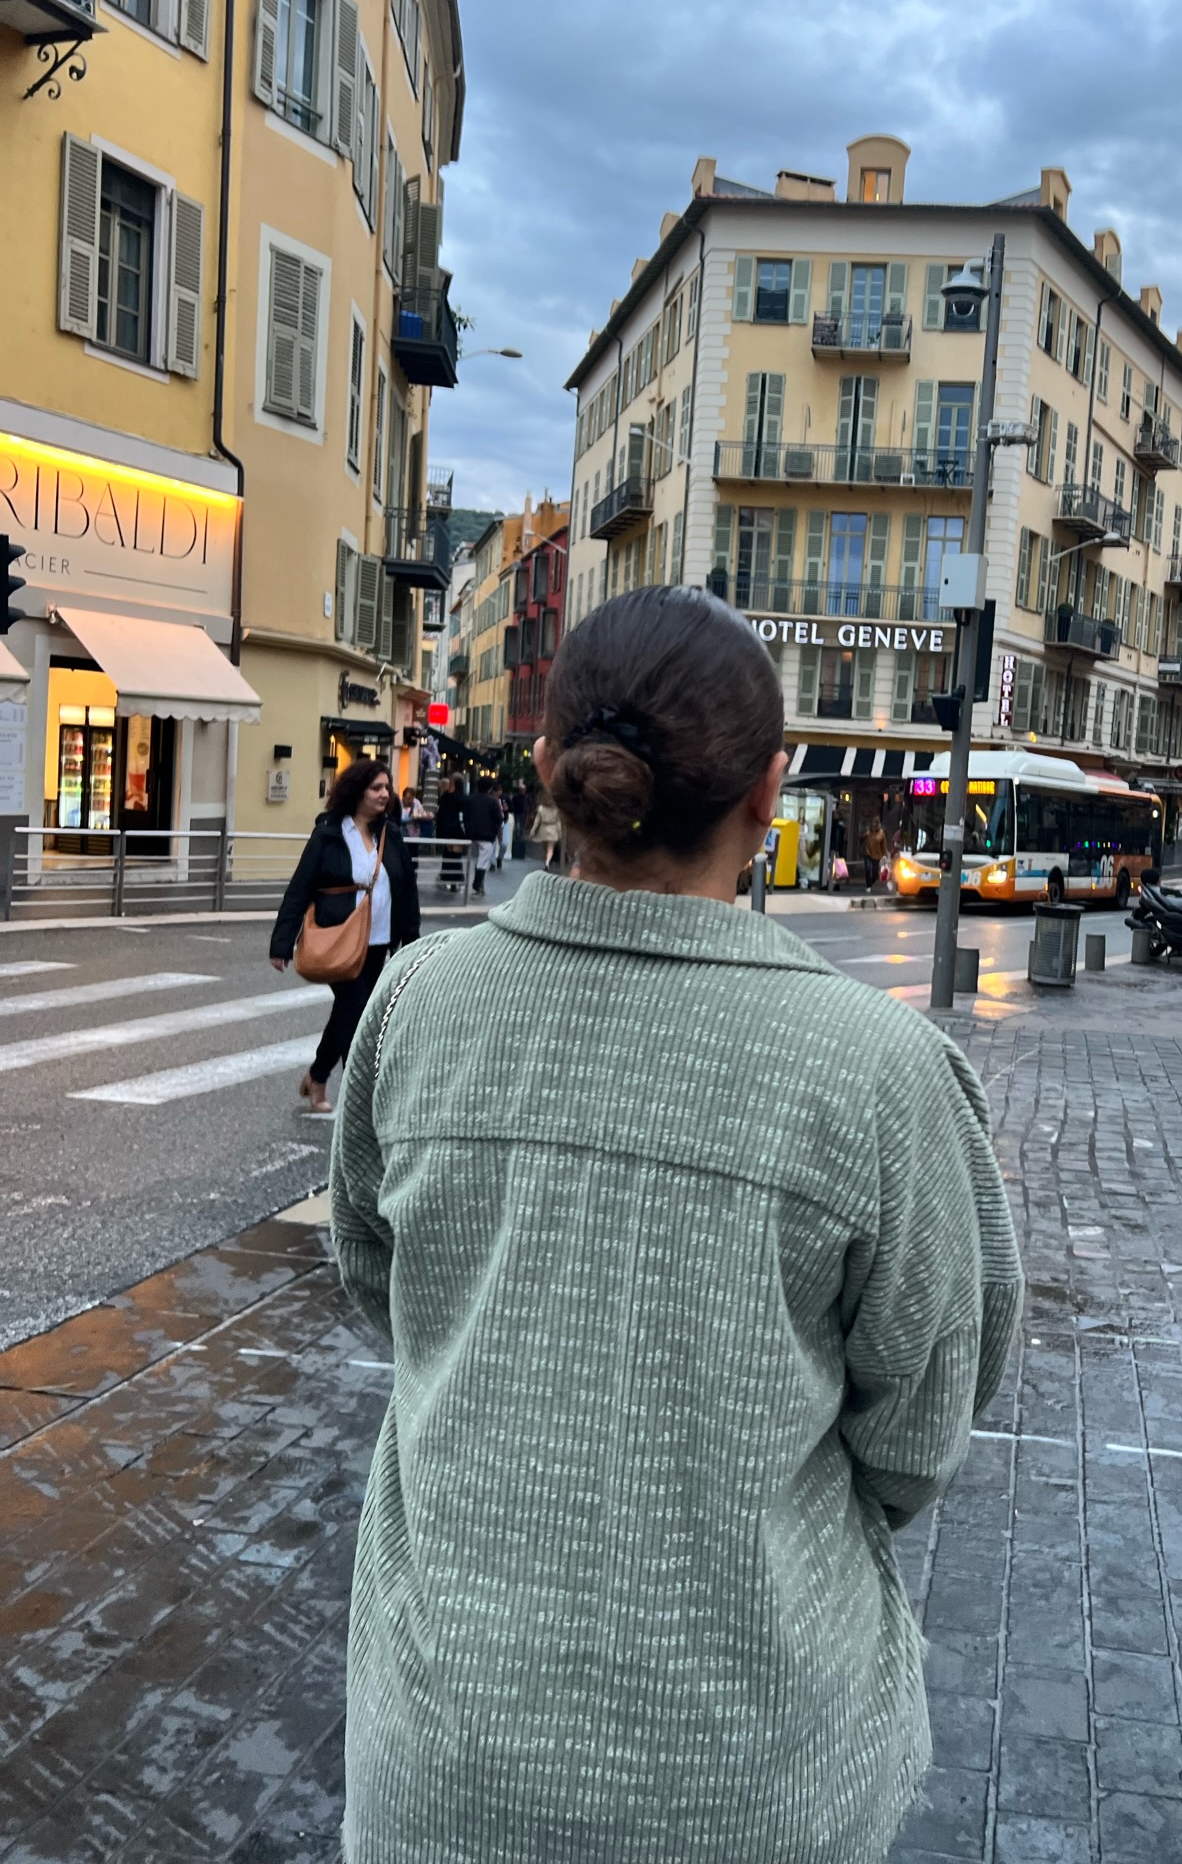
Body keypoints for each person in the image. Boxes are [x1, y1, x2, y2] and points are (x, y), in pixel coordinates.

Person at [328, 586, 1023, 1864]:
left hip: (447, 1750)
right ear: (770, 790)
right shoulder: (879, 1072)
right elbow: (920, 1429)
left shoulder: (420, 1005)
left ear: (549, 766)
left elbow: (380, 1282)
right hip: (754, 1774)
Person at [270, 759, 419, 1115]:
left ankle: (322, 1078)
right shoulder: (330, 833)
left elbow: (407, 892)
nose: (384, 794)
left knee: (354, 1013)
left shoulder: (391, 835)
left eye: (387, 788)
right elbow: (301, 887)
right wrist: (282, 942)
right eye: (376, 788)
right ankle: (348, 1092)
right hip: (338, 938)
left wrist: (411, 943)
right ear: (357, 792)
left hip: (378, 942)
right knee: (354, 1009)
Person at [464, 777, 505, 896]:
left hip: (472, 834)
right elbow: (499, 819)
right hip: (488, 835)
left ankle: (479, 885)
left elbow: (466, 817)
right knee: (483, 861)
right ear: (490, 788)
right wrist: (499, 834)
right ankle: (477, 885)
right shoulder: (493, 801)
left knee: (476, 859)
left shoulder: (470, 800)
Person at [435, 774, 467, 888]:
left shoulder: (445, 797)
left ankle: (446, 877)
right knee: (456, 855)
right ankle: (456, 879)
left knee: (448, 854)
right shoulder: (462, 798)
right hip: (457, 829)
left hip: (446, 829)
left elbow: (440, 813)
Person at [528, 789, 562, 868]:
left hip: (543, 829)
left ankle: (545, 861)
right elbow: (558, 822)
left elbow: (537, 821)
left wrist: (533, 831)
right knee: (551, 848)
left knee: (545, 848)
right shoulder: (556, 810)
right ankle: (547, 862)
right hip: (553, 829)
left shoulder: (541, 808)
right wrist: (560, 833)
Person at [862, 812, 886, 891]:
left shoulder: (881, 832)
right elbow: (860, 837)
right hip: (868, 853)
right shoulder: (868, 831)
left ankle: (871, 882)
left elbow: (883, 844)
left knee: (875, 872)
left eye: (875, 823)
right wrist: (865, 834)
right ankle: (868, 886)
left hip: (877, 854)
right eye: (873, 823)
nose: (874, 825)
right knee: (868, 869)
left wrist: (884, 854)